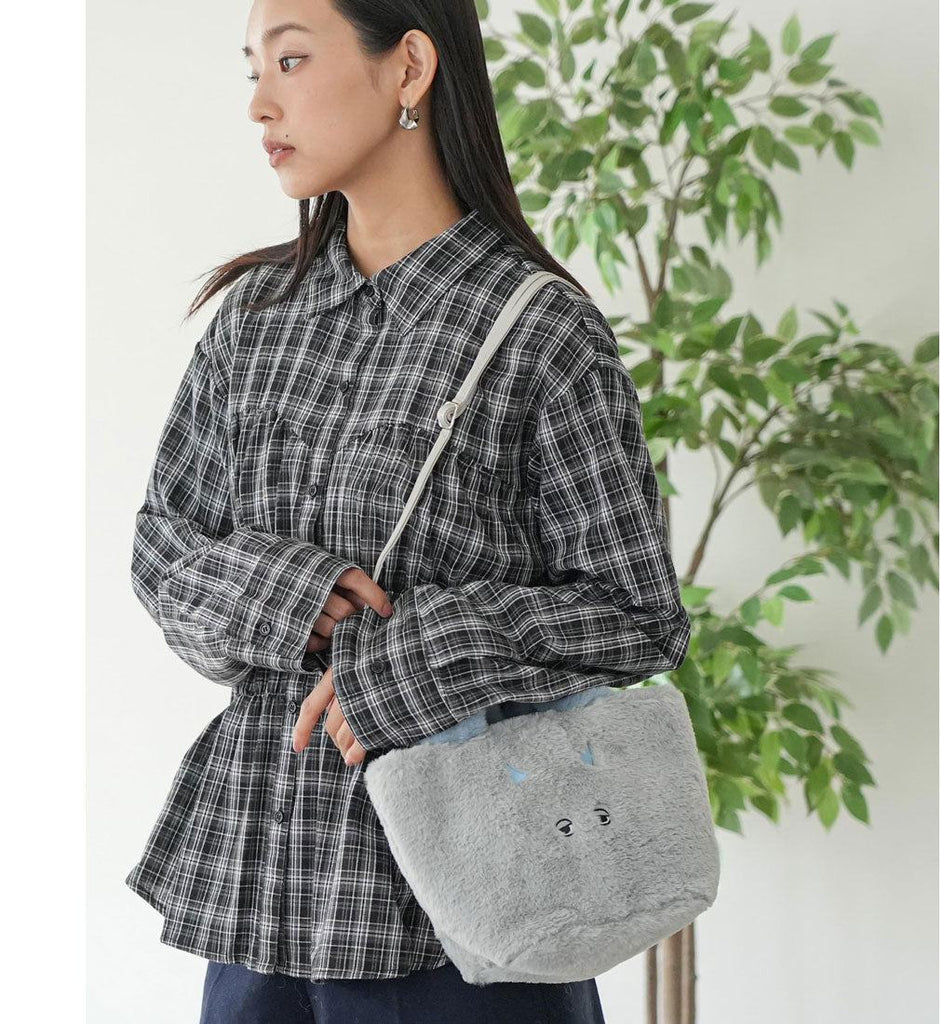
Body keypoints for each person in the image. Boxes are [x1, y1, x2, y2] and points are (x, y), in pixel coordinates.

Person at [125, 0, 692, 1021]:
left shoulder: (541, 331)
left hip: (468, 915)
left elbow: (637, 615)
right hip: (262, 894)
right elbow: (163, 547)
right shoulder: (255, 320)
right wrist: (292, 595)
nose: (260, 105)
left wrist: (418, 657)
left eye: (292, 61)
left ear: (410, 67)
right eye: (254, 69)